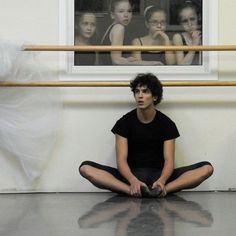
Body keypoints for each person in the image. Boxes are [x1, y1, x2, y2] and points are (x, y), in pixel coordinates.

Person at [79, 73, 213, 198]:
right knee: (85, 168)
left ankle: (163, 190)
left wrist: (162, 181)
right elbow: (121, 160)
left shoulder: (167, 124)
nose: (140, 96)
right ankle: (133, 190)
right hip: (131, 176)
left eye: (145, 92)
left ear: (154, 97)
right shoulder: (124, 123)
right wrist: (133, 181)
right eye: (137, 92)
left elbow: (169, 160)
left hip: (159, 176)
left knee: (206, 168)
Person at [99, 0, 138, 65]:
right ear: (112, 15)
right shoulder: (119, 28)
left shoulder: (111, 27)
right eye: (121, 11)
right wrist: (148, 64)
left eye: (129, 11)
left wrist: (126, 60)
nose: (126, 15)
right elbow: (116, 61)